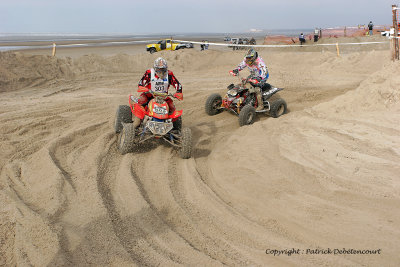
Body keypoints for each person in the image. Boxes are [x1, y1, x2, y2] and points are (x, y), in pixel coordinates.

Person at [134, 57, 183, 128]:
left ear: (166, 69)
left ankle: (173, 126)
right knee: (141, 101)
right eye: (159, 70)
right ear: (155, 69)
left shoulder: (169, 74)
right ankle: (137, 121)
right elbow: (141, 83)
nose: (161, 72)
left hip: (163, 97)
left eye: (163, 70)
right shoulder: (149, 73)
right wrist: (142, 87)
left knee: (172, 107)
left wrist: (178, 92)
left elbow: (178, 85)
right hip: (149, 95)